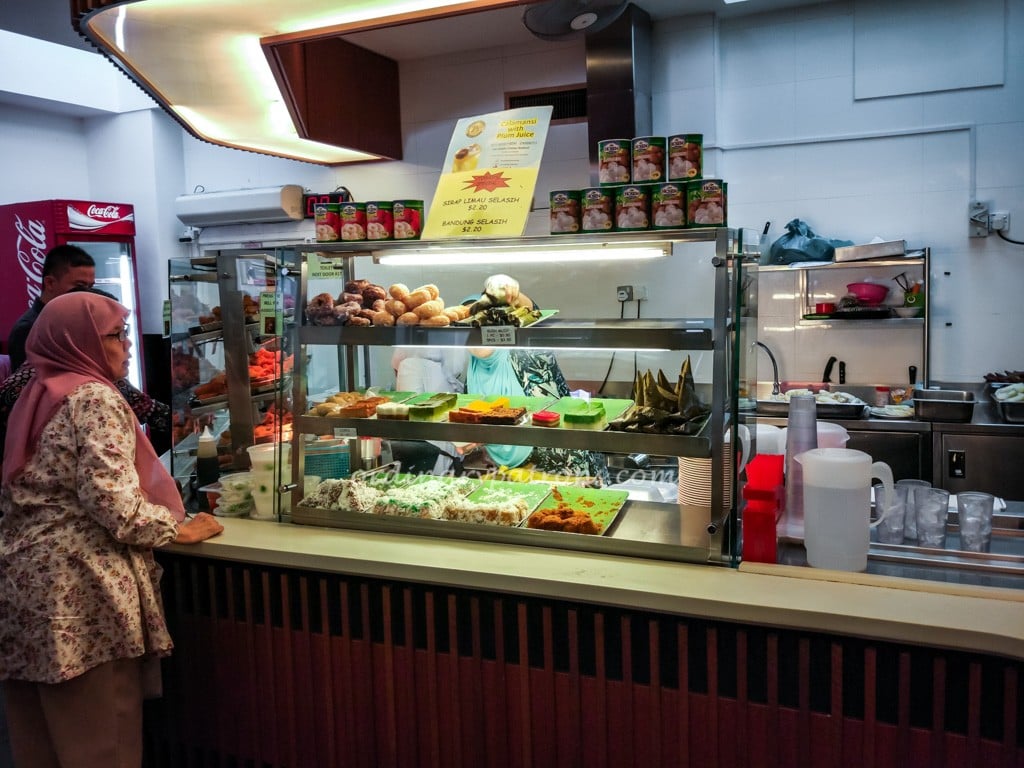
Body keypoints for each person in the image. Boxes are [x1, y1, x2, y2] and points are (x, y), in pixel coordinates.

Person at [0, 291, 223, 767]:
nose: (127, 344)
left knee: (38, 741)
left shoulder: (37, 390)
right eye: (115, 335)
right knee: (103, 740)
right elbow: (115, 505)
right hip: (82, 593)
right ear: (79, 340)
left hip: (24, 587)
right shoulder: (95, 398)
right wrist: (175, 528)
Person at [467, 346, 611, 485]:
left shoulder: (529, 354)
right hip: (515, 473)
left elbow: (553, 422)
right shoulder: (474, 362)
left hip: (564, 472)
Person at [6, 244, 97, 372]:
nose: (87, 293)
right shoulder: (29, 329)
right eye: (79, 286)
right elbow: (31, 381)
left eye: (90, 287)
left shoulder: (74, 321)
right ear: (50, 283)